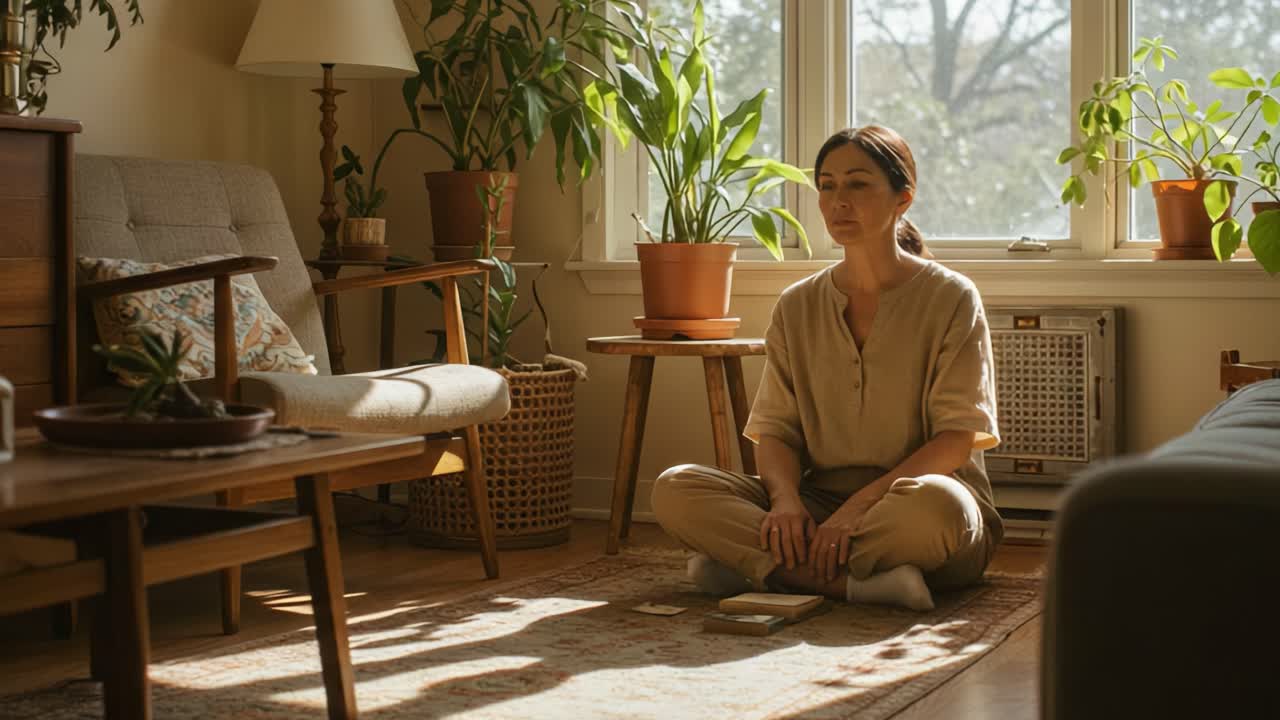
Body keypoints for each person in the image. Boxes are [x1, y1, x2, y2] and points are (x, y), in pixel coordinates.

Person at [650, 125, 1002, 611]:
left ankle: (761, 570)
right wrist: (786, 502)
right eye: (827, 185)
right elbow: (776, 431)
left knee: (940, 508)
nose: (839, 201)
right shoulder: (797, 305)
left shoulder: (952, 297)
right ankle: (858, 584)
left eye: (858, 184)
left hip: (912, 509)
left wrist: (860, 508)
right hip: (818, 506)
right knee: (676, 488)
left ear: (903, 198)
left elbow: (956, 439)